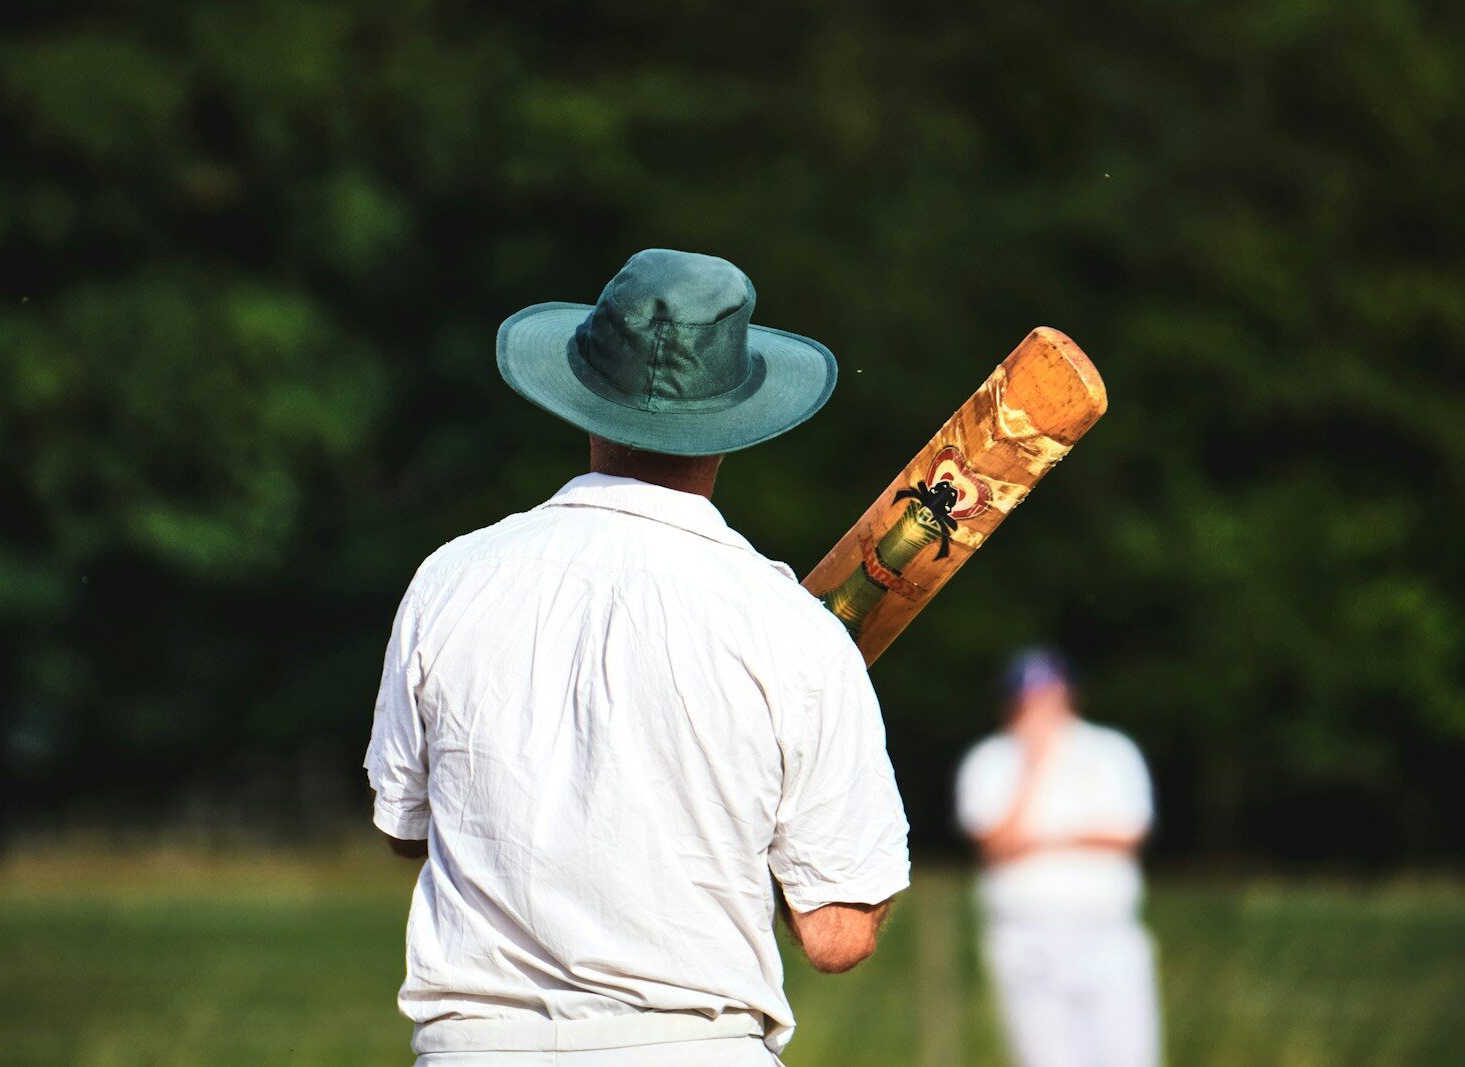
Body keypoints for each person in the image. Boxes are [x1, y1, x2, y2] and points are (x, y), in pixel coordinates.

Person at [365, 249, 911, 1066]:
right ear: (736, 421)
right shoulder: (791, 631)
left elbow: (406, 826)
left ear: (582, 394)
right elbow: (836, 933)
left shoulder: (449, 579)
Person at [955, 649, 1161, 1067]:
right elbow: (995, 843)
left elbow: (1126, 834)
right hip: (1027, 941)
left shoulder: (1110, 751)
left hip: (1105, 934)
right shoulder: (991, 759)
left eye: (1050, 695)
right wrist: (1034, 765)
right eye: (1030, 698)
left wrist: (1041, 838)